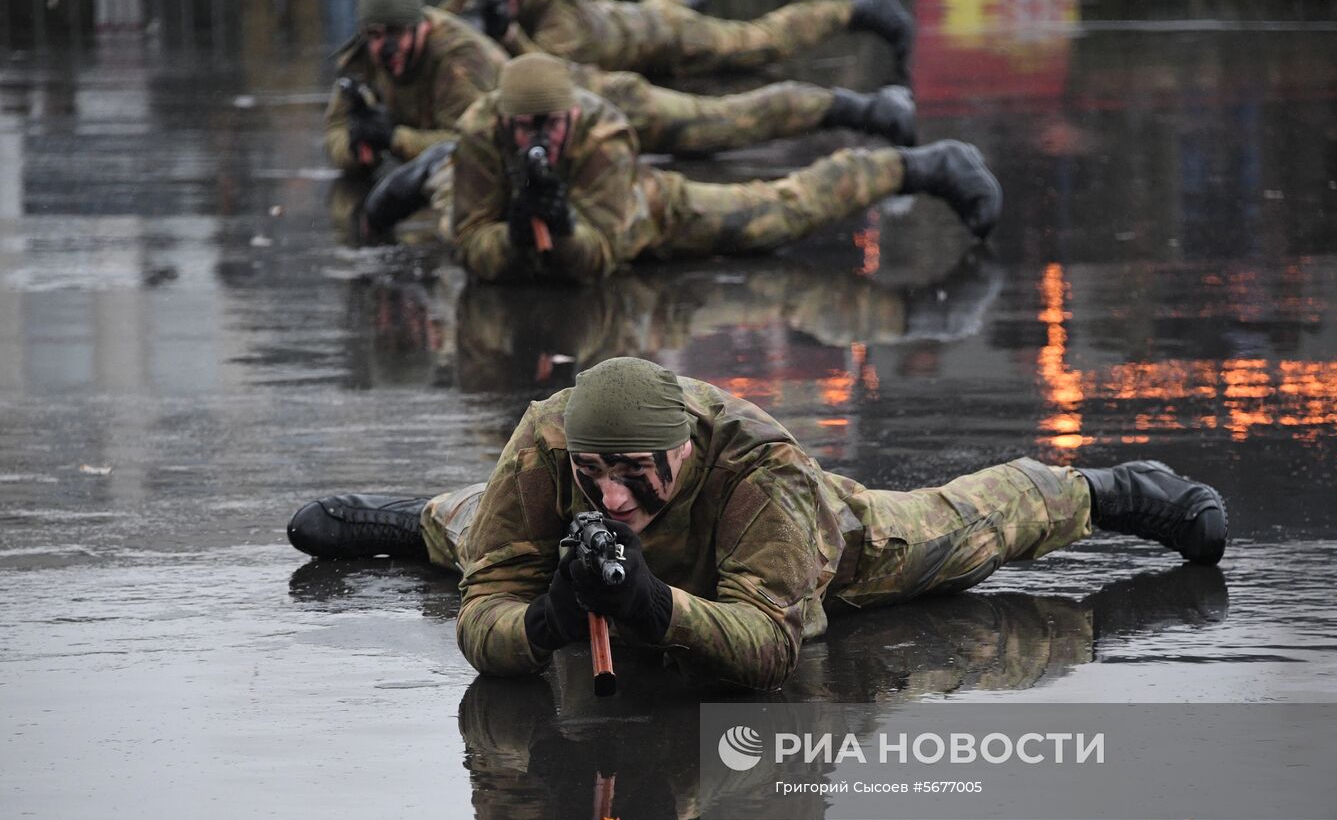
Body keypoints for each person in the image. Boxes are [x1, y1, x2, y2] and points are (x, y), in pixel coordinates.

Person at [286, 357, 1230, 690]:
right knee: (482, 528)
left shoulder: (762, 473)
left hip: (802, 555)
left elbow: (772, 649)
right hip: (600, 554)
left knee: (958, 533)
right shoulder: (548, 443)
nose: (610, 496)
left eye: (633, 475)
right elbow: (490, 594)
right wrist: (547, 624)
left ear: (685, 456)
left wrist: (655, 609)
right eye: (591, 475)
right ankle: (406, 521)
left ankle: (1109, 489)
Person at [364, 53, 998, 280]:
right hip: (496, 194)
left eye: (547, 127)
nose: (537, 138)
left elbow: (599, 259)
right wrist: (509, 235)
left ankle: (923, 166)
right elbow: (474, 247)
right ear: (502, 122)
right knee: (453, 211)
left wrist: (560, 231)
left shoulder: (605, 136)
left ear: (570, 119)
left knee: (773, 215)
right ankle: (432, 169)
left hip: (626, 212)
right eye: (522, 128)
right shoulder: (480, 131)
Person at [327, 0, 915, 173]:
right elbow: (339, 126)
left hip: (627, 61)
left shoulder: (552, 13)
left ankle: (864, 89)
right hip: (605, 62)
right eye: (375, 39)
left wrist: (394, 140)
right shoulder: (386, 46)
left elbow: (544, 77)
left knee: (740, 76)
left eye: (394, 40)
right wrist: (355, 139)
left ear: (421, 31)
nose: (385, 52)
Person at [441, 0, 915, 78]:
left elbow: (553, 76)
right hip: (637, 19)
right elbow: (440, 20)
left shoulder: (562, 12)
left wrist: (509, 38)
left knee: (757, 44)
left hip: (667, 35)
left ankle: (861, 10)